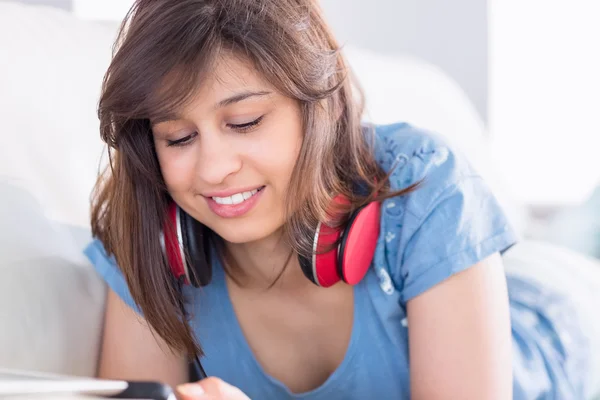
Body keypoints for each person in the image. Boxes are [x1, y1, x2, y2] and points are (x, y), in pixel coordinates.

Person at [83, 0, 590, 399]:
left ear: (318, 109)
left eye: (245, 123)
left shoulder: (429, 187)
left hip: (554, 322)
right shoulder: (141, 231)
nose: (214, 169)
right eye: (178, 138)